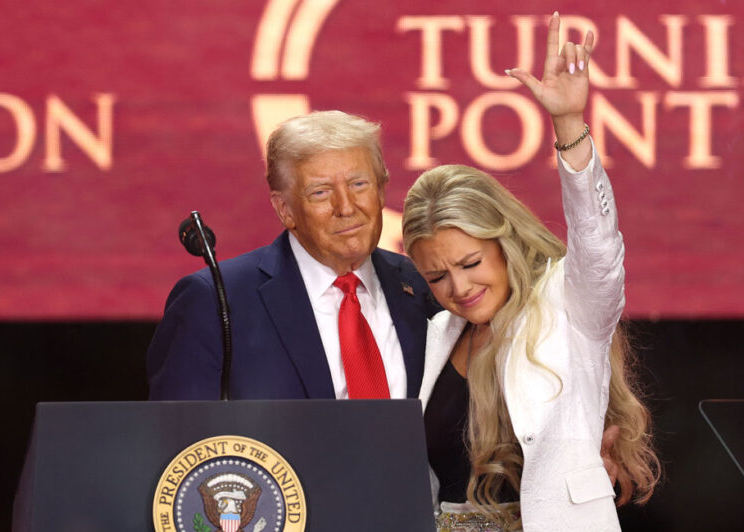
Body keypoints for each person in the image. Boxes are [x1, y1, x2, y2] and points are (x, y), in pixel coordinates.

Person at [401, 12, 659, 531]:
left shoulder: (568, 304)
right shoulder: (436, 336)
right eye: (437, 276)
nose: (459, 288)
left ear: (505, 242)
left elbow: (597, 244)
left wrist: (569, 125)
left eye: (471, 263)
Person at [146, 110, 439, 400]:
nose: (346, 207)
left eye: (358, 184)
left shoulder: (423, 284)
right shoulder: (215, 301)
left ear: (382, 191)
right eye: (320, 192)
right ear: (284, 209)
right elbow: (182, 428)